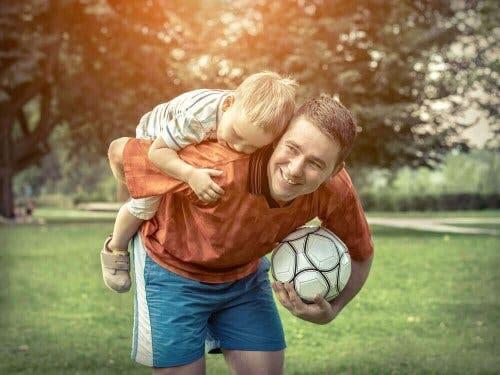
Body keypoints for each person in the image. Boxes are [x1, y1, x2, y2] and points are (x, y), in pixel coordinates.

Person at [108, 95, 374, 374]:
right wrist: (138, 205)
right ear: (276, 139)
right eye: (292, 148)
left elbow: (361, 254)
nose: (295, 170)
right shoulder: (217, 165)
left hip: (243, 278)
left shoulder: (336, 191)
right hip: (172, 271)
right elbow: (119, 151)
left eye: (316, 164)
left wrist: (333, 309)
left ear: (335, 171)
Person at [101, 72, 298, 293]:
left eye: (252, 147)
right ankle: (115, 246)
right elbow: (158, 152)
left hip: (182, 137)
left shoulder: (241, 116)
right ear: (229, 104)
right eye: (236, 134)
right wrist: (190, 175)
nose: (239, 147)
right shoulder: (198, 119)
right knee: (146, 206)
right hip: (155, 136)